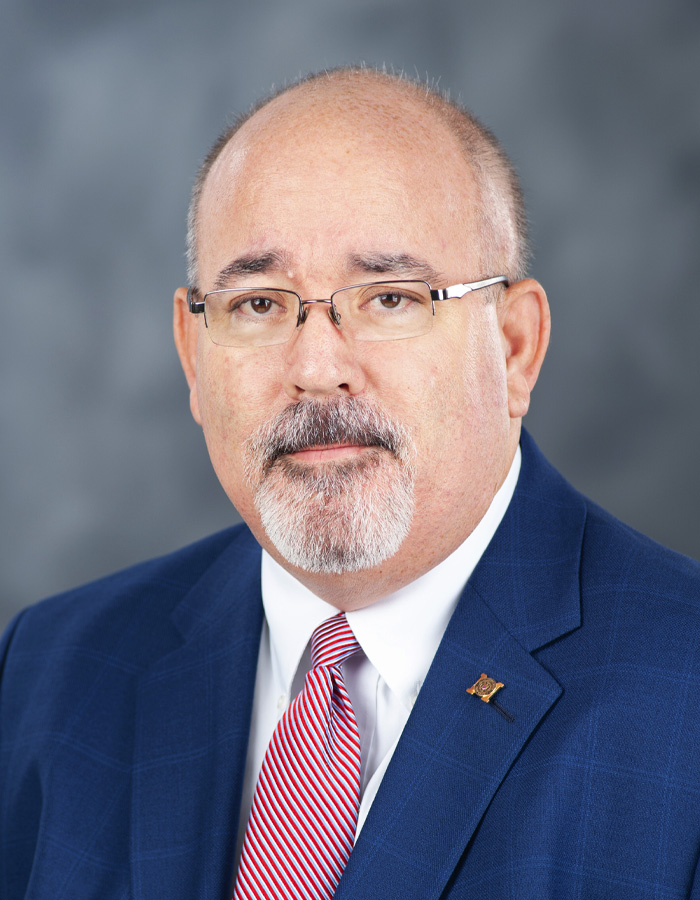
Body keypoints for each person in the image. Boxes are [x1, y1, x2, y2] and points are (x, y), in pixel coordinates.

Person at [2, 67, 699, 900]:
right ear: (194, 358)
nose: (318, 367)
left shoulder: (683, 695)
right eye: (258, 305)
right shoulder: (49, 673)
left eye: (393, 298)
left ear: (514, 347)